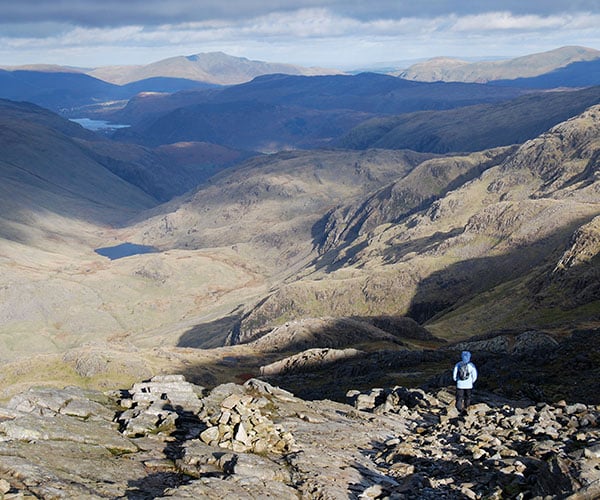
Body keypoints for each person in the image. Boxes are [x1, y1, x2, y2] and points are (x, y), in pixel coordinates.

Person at [453, 350, 477, 415]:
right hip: (469, 385)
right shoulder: (471, 365)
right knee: (468, 397)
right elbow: (474, 375)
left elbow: (454, 374)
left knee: (459, 397)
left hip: (460, 384)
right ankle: (466, 407)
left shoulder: (458, 364)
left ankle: (459, 409)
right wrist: (472, 381)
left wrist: (455, 380)